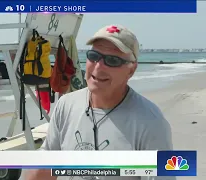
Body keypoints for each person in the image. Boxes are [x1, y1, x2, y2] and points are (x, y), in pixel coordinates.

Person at [24, 24, 175, 180]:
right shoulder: (66, 105)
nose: (99, 66)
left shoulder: (150, 122)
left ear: (131, 70)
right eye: (94, 56)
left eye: (112, 60)